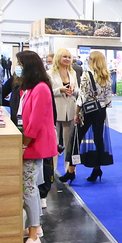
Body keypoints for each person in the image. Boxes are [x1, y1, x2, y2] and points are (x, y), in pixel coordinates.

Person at [15, 51, 56, 243]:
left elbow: (35, 122)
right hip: (30, 143)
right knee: (30, 187)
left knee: (29, 189)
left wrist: (24, 144)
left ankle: (33, 236)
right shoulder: (31, 88)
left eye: (20, 64)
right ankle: (35, 226)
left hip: (34, 145)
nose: (17, 68)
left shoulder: (41, 88)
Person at [77, 51, 115, 183]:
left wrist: (77, 112)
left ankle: (71, 168)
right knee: (98, 138)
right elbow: (108, 97)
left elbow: (82, 95)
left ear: (92, 60)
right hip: (101, 110)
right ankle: (97, 167)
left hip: (88, 110)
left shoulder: (87, 75)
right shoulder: (106, 76)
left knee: (77, 137)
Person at [50, 48, 80, 183]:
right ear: (58, 58)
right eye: (65, 57)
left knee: (69, 142)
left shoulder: (73, 72)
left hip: (70, 109)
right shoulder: (50, 73)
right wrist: (60, 89)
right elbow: (47, 91)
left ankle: (69, 170)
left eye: (69, 57)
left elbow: (78, 90)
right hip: (56, 109)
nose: (67, 59)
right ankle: (52, 170)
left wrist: (73, 90)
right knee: (54, 141)